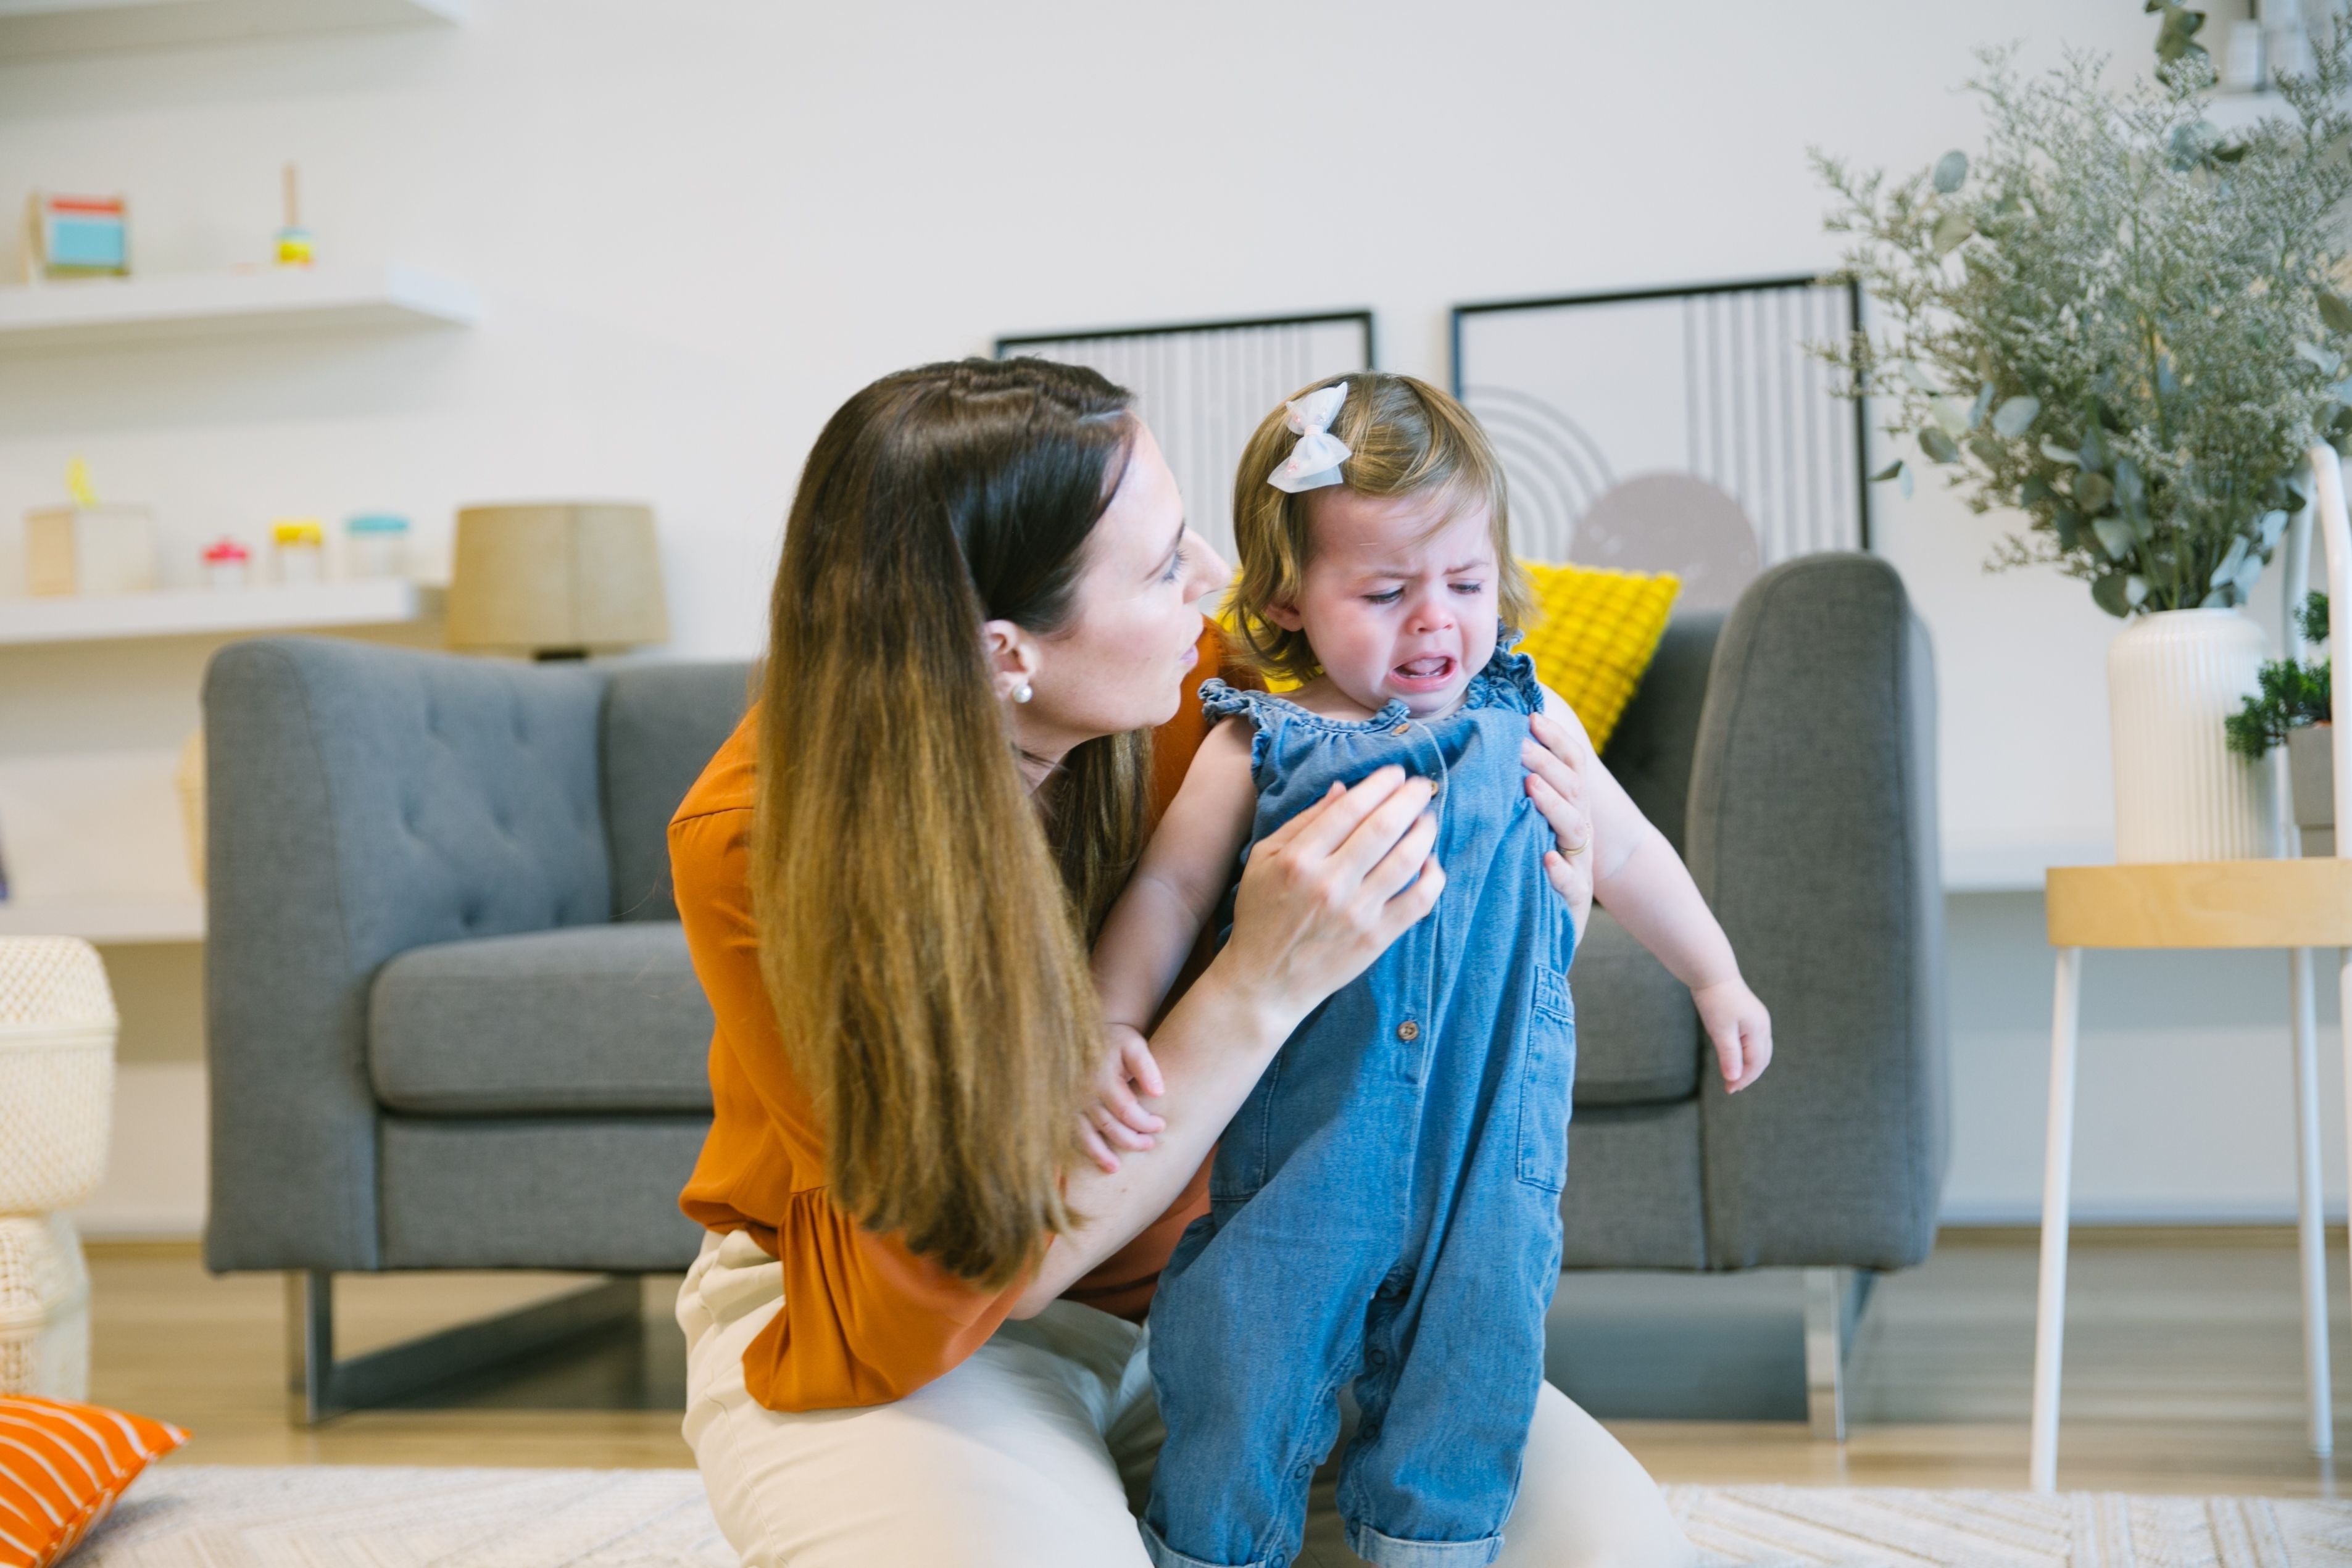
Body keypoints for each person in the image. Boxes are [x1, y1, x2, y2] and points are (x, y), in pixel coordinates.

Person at [670, 357, 1697, 1568]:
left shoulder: (1192, 682)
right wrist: (1255, 987)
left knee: (1608, 1550)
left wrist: (1543, 894)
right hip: (930, 1327)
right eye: (1163, 566)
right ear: (1005, 652)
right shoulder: (764, 838)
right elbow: (971, 1267)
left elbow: (1434, 914)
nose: (1215, 577)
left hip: (1243, 1272)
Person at [1087, 373, 1772, 1568]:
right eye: (1385, 592)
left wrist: (1715, 974)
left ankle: (1430, 1550)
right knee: (1243, 1368)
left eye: (1464, 582)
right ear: (1288, 597)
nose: (1434, 623)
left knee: (1472, 1376)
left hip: (1488, 1158)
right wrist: (1109, 1018)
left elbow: (1627, 851)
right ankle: (1211, 1547)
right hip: (1304, 1162)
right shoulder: (1258, 741)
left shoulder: (1532, 715)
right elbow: (1166, 891)